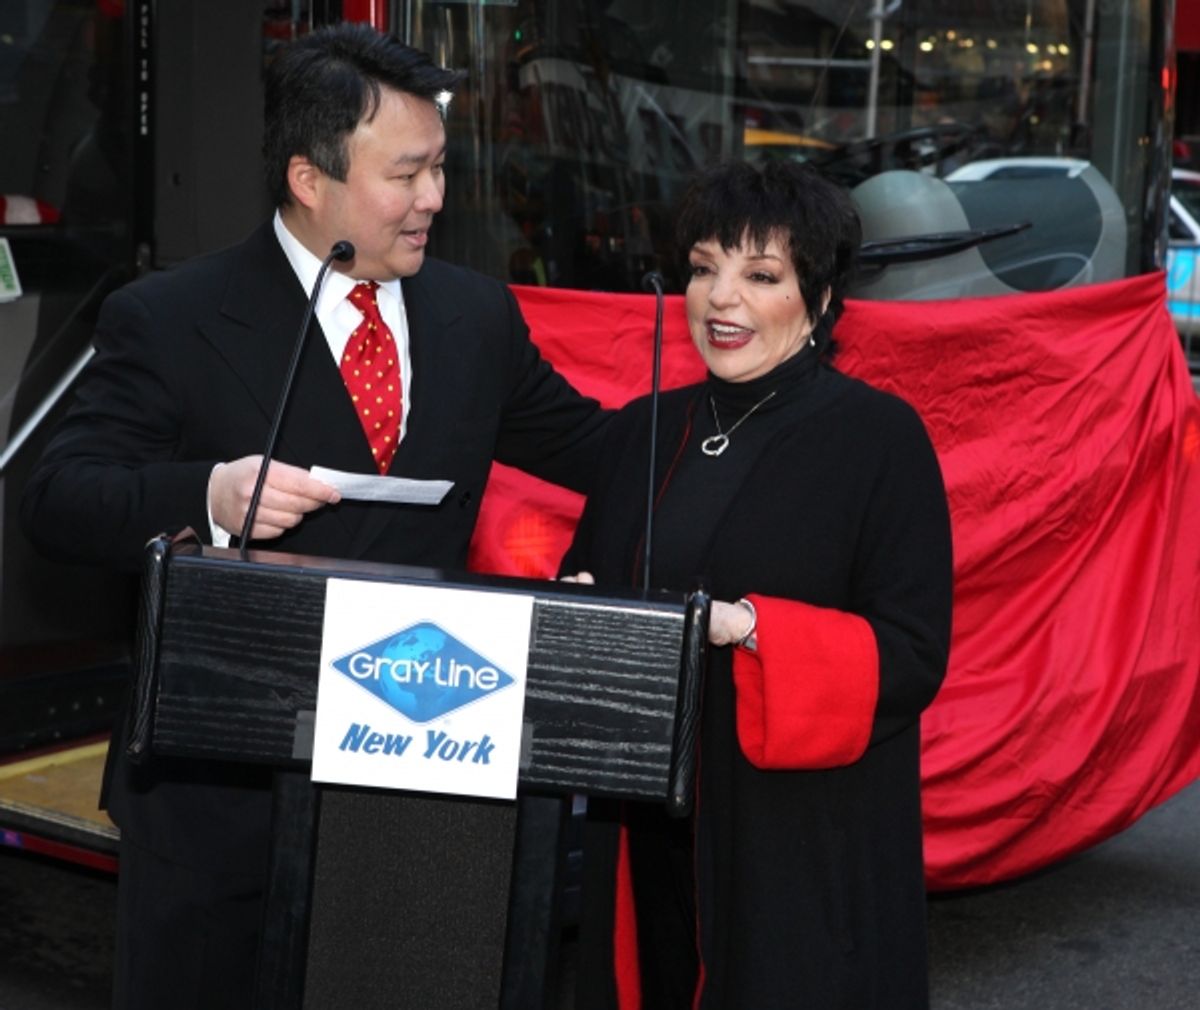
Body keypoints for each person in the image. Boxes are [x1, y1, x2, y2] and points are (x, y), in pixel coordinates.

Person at [20, 22, 607, 1009]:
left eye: (439, 169)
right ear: (307, 178)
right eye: (407, 174)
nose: (434, 199)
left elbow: (595, 447)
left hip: (416, 784)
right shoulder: (170, 317)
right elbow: (59, 496)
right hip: (223, 794)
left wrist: (759, 410)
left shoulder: (473, 315)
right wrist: (206, 493)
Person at [560, 159, 953, 1009]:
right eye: (704, 268)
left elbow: (914, 655)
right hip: (645, 833)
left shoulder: (878, 440)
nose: (719, 298)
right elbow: (588, 591)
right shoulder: (641, 431)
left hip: (794, 843)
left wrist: (752, 628)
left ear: (819, 299)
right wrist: (578, 606)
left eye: (760, 275)